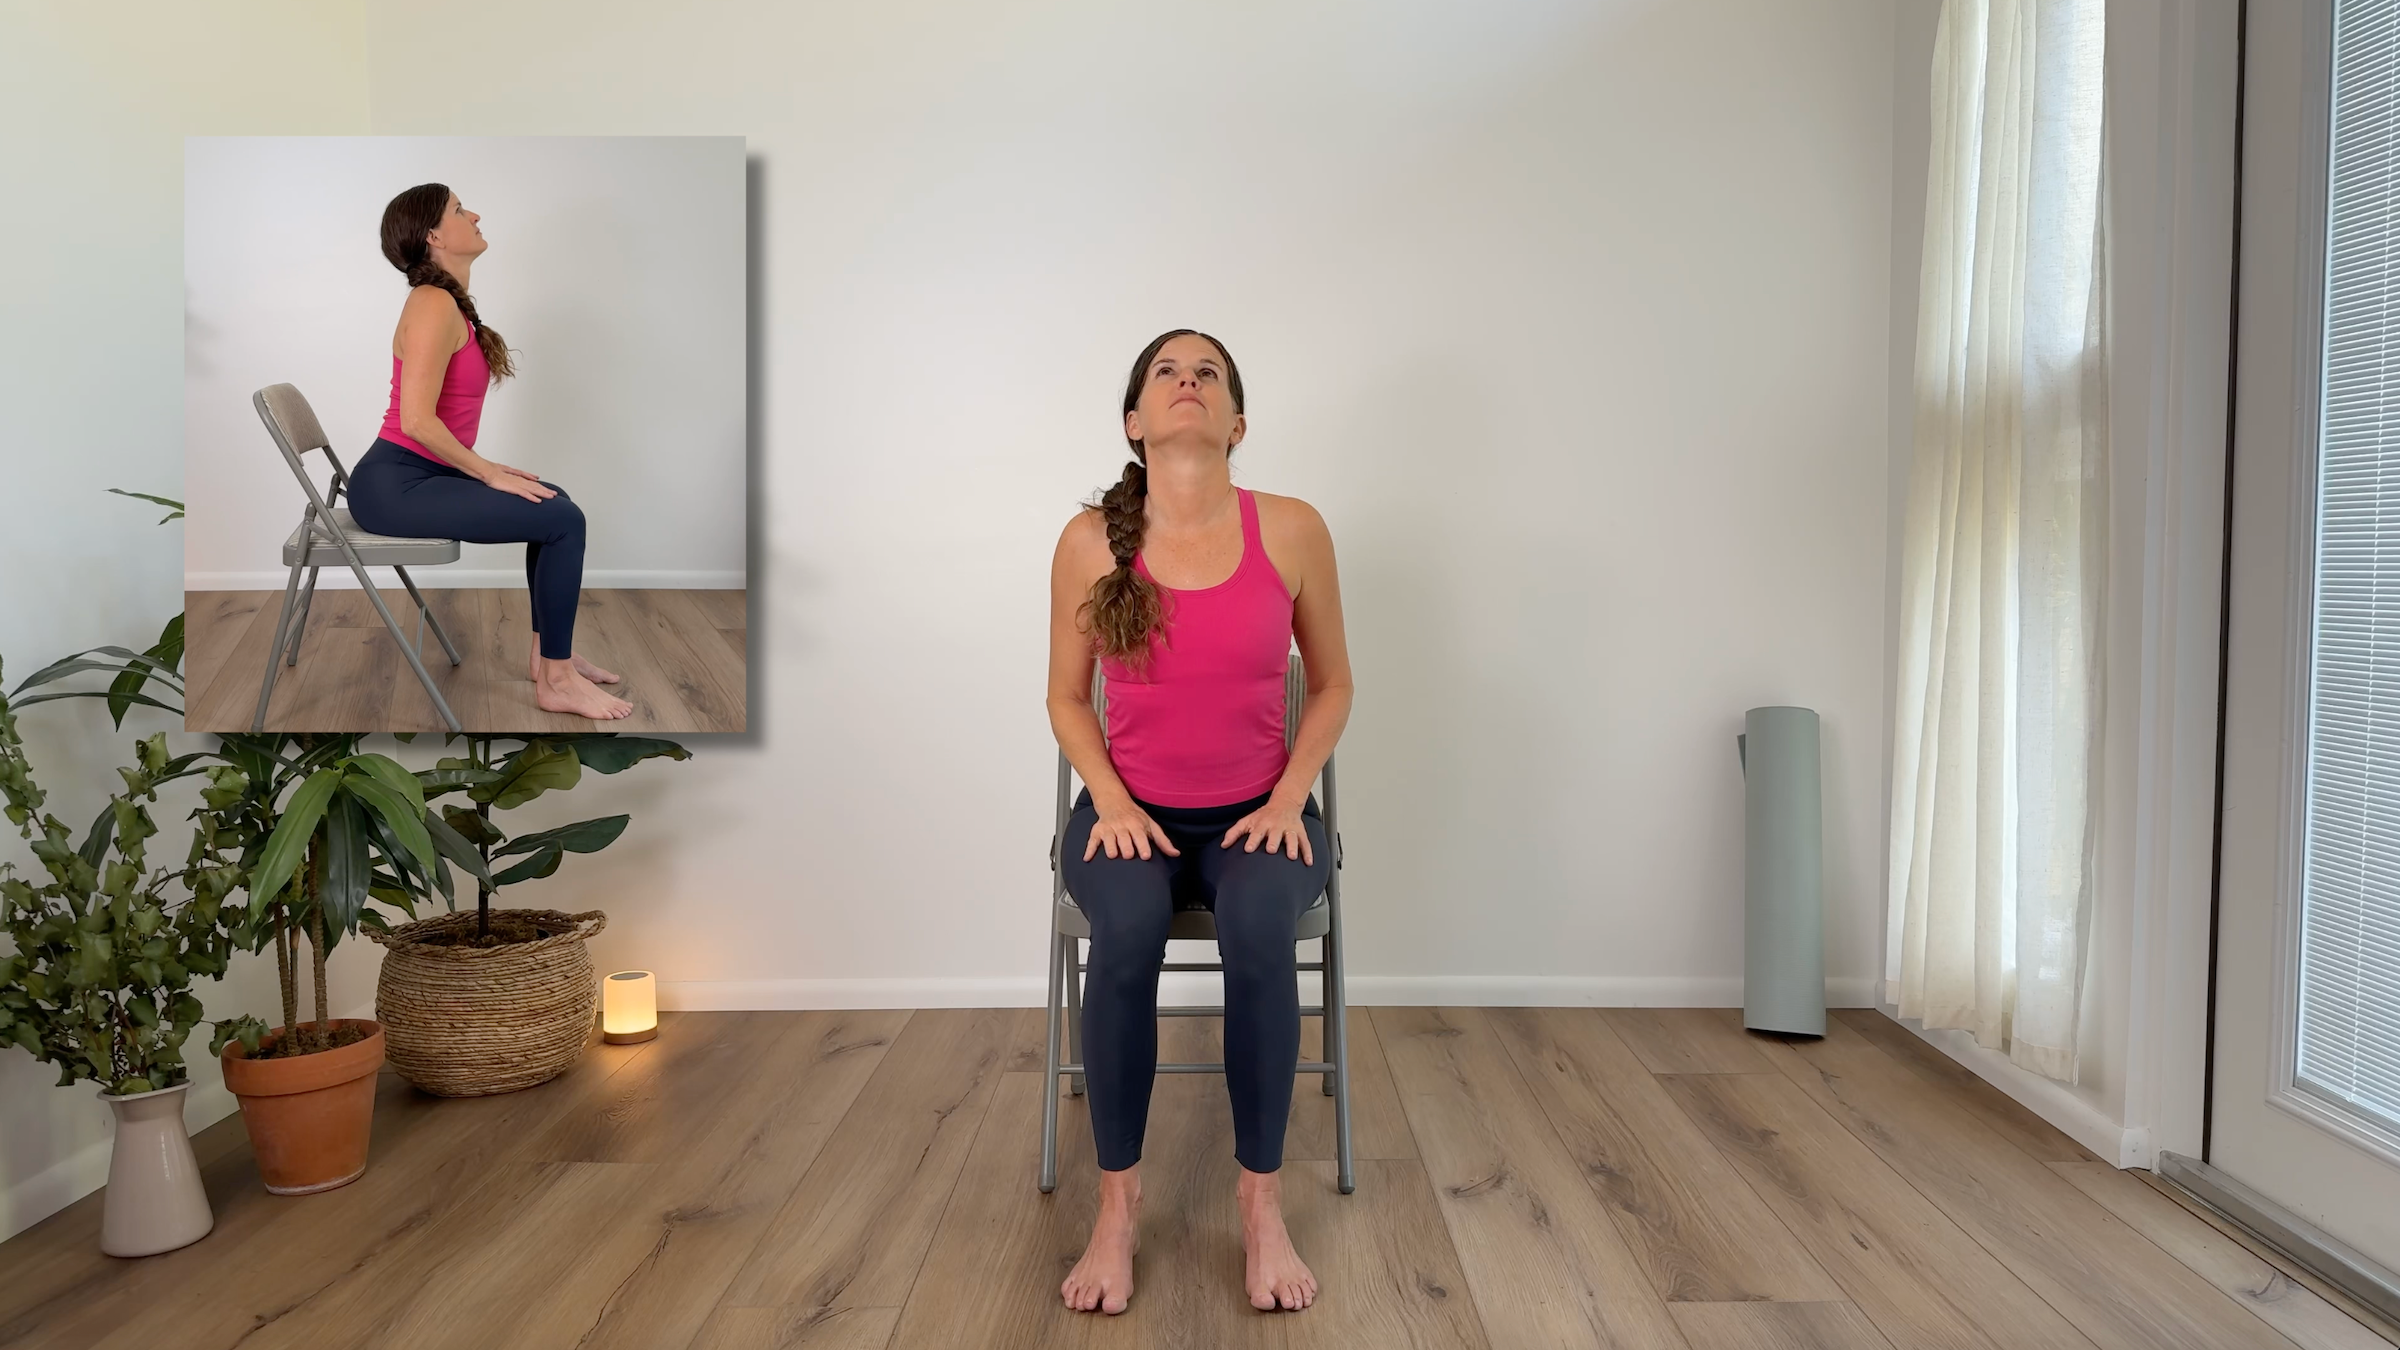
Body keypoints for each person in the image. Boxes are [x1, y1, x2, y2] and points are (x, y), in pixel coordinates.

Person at [1046, 328, 1354, 1315]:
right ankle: (1119, 1205)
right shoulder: (1090, 541)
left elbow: (1335, 685)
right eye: (1166, 373)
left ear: (1237, 423)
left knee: (1259, 927)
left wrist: (1283, 795)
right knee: (1127, 931)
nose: (1188, 381)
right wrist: (1112, 798)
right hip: (1128, 818)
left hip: (1257, 820)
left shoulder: (1295, 529)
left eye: (1207, 373)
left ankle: (1262, 1207)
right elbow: (1065, 698)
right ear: (1135, 422)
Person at [342, 183, 631, 721]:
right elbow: (416, 421)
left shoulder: (445, 302)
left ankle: (547, 659)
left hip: (418, 474)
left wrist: (489, 469)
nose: (473, 214)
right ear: (434, 235)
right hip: (394, 486)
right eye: (458, 209)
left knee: (555, 500)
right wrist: (489, 475)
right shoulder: (431, 304)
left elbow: (431, 425)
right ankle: (559, 679)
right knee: (564, 519)